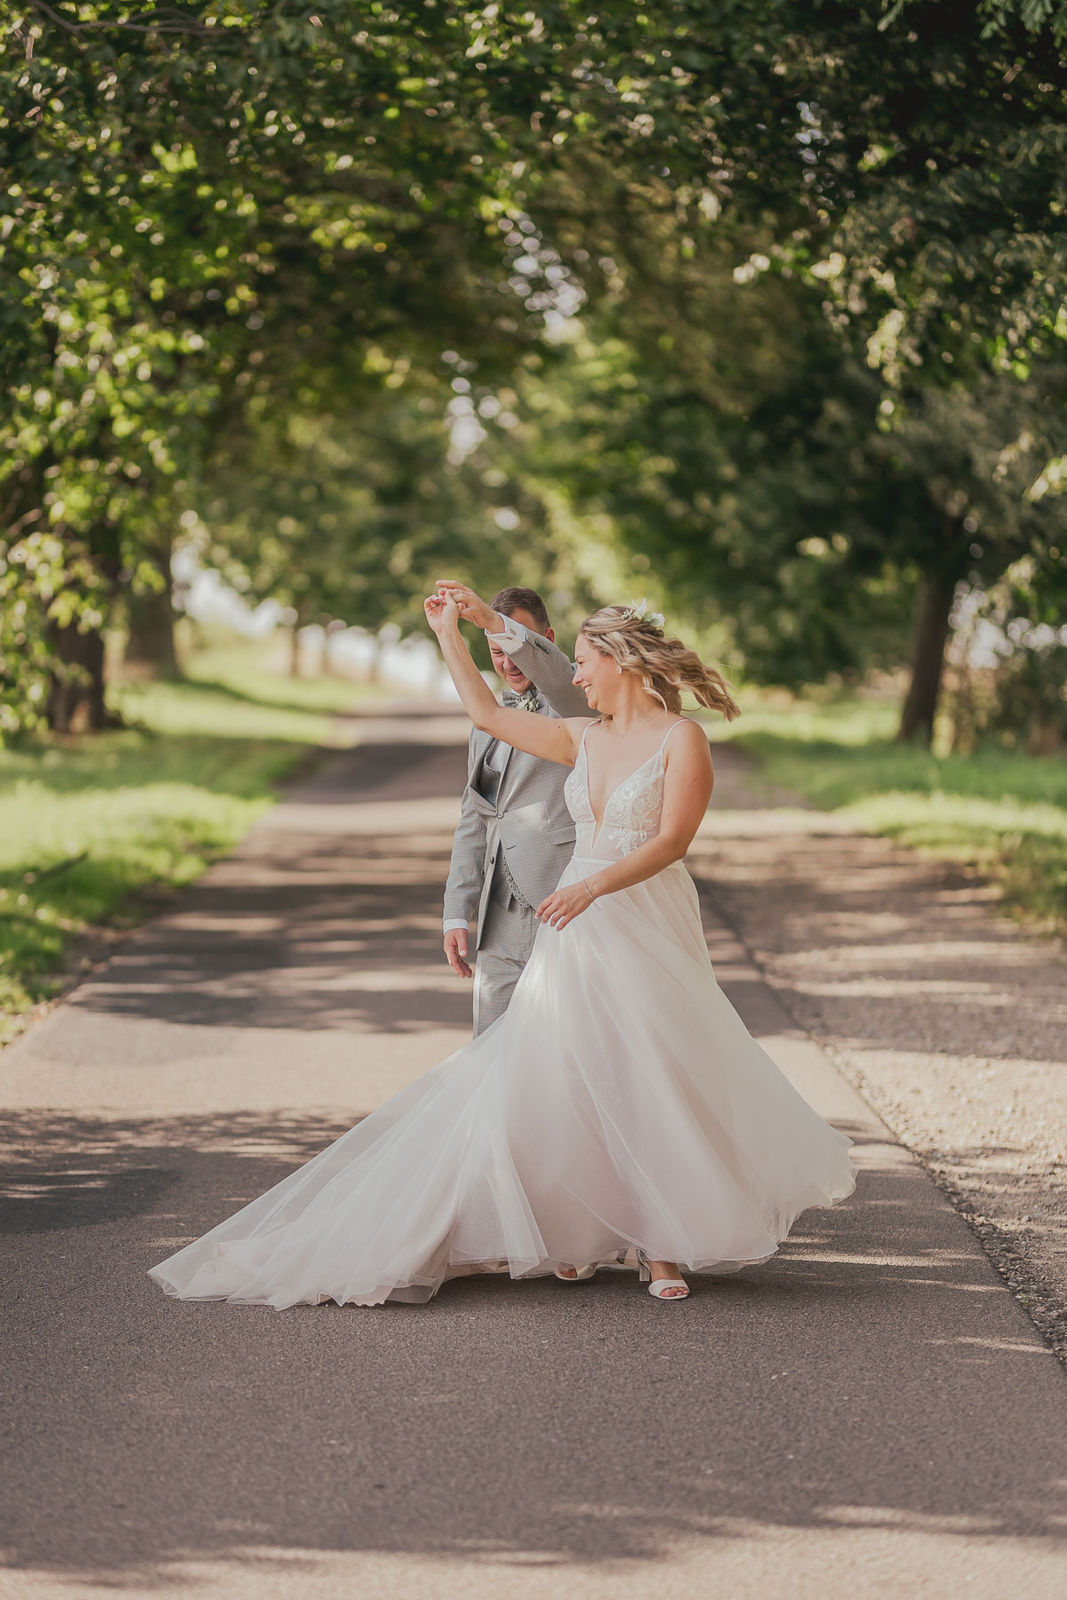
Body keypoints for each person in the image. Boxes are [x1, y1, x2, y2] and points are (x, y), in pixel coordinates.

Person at [148, 597, 854, 1308]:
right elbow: (486, 716)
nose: (575, 679)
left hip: (642, 915)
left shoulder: (681, 740)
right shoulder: (581, 737)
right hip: (575, 922)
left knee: (651, 1066)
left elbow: (671, 842)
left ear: (619, 662)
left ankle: (662, 1247)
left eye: (582, 664)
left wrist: (594, 886)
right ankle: (578, 1234)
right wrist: (445, 635)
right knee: (570, 1072)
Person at [437, 580, 592, 1035]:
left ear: (548, 640)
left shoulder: (577, 703)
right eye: (496, 651)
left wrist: (492, 621)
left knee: (561, 1042)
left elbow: (557, 677)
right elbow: (476, 816)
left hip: (561, 897)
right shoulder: (486, 718)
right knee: (490, 1045)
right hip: (496, 914)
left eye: (514, 645)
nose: (508, 663)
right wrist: (455, 911)